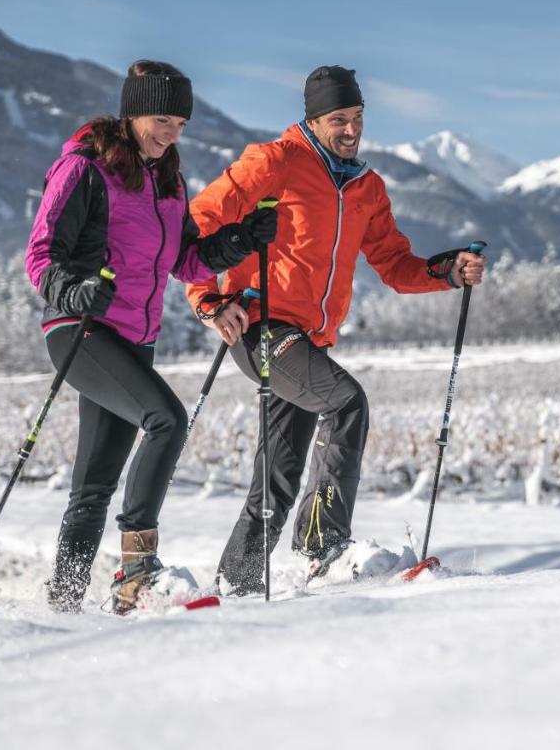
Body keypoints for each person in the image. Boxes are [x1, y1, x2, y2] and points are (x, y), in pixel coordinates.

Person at [186, 65, 486, 595]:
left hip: (308, 340)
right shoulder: (275, 163)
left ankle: (236, 584)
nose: (351, 130)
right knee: (346, 402)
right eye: (339, 119)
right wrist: (206, 299)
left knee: (278, 473)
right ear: (313, 118)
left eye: (358, 118)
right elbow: (201, 222)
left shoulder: (367, 187)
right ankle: (323, 548)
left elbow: (394, 265)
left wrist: (445, 271)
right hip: (260, 326)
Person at [24, 60, 277, 614]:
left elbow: (187, 260)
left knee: (94, 485)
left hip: (133, 338)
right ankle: (137, 570)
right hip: (81, 328)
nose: (172, 132)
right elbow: (41, 254)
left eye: (180, 123)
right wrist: (71, 290)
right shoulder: (85, 169)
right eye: (162, 118)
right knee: (166, 419)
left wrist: (238, 240)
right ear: (133, 113)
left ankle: (62, 603)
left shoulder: (167, 180)